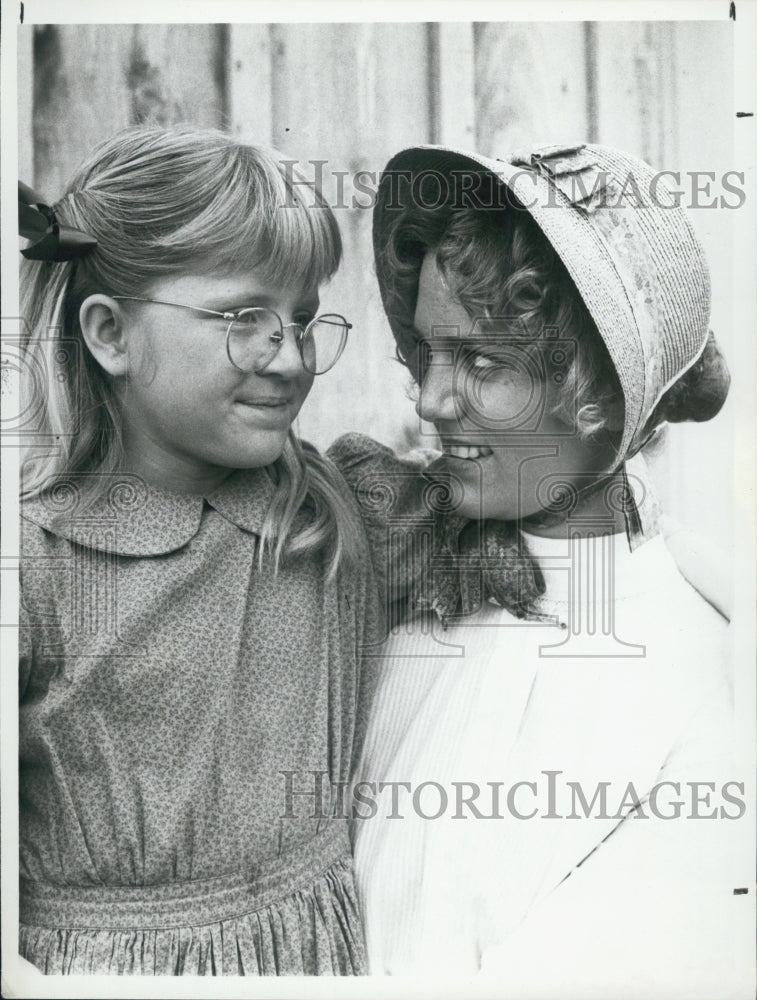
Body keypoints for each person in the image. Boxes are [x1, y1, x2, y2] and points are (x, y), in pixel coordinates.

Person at [331, 143, 748, 991]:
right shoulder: (408, 600)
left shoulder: (697, 683)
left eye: (481, 363)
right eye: (427, 352)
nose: (430, 400)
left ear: (597, 392)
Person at [17, 124, 381, 976]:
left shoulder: (325, 508)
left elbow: (552, 512)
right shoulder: (32, 562)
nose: (288, 358)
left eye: (298, 320)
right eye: (242, 319)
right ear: (109, 334)